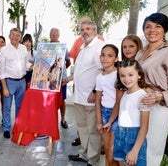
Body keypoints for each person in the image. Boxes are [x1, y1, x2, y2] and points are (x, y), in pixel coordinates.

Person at [135, 12, 168, 165]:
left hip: (159, 107)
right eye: (148, 26)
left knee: (151, 149)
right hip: (139, 103)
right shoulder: (140, 52)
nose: (152, 30)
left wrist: (158, 96)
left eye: (158, 26)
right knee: (136, 146)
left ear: (165, 30)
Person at [68, 20, 105, 166]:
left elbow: (104, 71)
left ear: (95, 31)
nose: (85, 31)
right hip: (79, 96)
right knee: (82, 128)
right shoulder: (83, 47)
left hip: (91, 98)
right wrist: (67, 79)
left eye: (88, 28)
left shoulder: (99, 47)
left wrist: (95, 91)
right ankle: (84, 153)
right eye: (82, 29)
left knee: (93, 131)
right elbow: (79, 70)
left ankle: (93, 160)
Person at [114, 59, 150, 165]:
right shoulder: (125, 94)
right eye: (122, 76)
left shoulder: (143, 96)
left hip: (134, 140)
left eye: (130, 75)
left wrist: (135, 151)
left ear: (139, 75)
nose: (126, 79)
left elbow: (144, 127)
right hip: (120, 136)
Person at [0, 28, 31, 139]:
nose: (15, 37)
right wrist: (4, 88)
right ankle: (6, 128)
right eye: (13, 35)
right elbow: (1, 71)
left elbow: (26, 64)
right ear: (9, 36)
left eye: (18, 35)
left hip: (21, 81)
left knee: (20, 106)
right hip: (9, 82)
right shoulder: (4, 50)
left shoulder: (23, 48)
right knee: (7, 107)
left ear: (20, 37)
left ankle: (18, 126)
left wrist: (33, 67)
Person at [95, 44, 122, 166]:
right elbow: (97, 100)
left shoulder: (119, 75)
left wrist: (110, 121)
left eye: (110, 56)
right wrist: (99, 121)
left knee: (113, 154)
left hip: (116, 115)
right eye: (103, 55)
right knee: (107, 151)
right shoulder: (99, 77)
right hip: (104, 114)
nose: (105, 58)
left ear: (116, 59)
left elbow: (118, 101)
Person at [49, 28, 71, 129]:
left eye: (56, 33)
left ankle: (63, 119)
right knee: (49, 100)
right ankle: (50, 120)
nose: (54, 34)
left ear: (59, 35)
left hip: (61, 78)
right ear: (49, 35)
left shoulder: (63, 47)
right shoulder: (46, 47)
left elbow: (68, 61)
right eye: (52, 33)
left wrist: (59, 71)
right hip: (49, 78)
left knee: (62, 100)